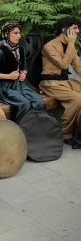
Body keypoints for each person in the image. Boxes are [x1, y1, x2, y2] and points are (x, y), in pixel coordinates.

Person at [40, 16, 81, 148]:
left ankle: (78, 132)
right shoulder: (49, 46)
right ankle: (65, 133)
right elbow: (63, 65)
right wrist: (70, 44)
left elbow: (78, 67)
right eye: (75, 28)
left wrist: (70, 46)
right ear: (65, 30)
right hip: (51, 83)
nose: (78, 31)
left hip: (66, 82)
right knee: (77, 99)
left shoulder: (71, 47)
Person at [0, 21, 45, 123]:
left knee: (38, 101)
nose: (19, 36)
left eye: (19, 33)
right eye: (15, 33)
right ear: (6, 34)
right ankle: (20, 128)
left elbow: (24, 66)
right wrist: (8, 76)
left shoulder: (20, 50)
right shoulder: (0, 52)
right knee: (24, 104)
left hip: (19, 84)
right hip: (4, 87)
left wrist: (23, 74)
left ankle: (35, 126)